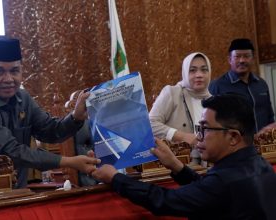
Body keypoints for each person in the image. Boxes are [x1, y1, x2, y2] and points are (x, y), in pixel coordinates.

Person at [92, 94, 276, 220]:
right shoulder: (261, 165)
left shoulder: (225, 181)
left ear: (233, 137)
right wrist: (176, 166)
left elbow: (164, 201)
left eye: (205, 129)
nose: (199, 136)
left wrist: (115, 178)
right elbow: (207, 192)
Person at [0, 38, 99, 188]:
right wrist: (69, 162)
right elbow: (12, 153)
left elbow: (49, 130)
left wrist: (76, 117)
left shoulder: (22, 98)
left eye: (14, 71)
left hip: (16, 194)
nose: (8, 79)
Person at [149, 52, 211, 165]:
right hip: (177, 165)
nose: (199, 75)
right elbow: (150, 124)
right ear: (185, 72)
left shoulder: (213, 101)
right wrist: (182, 136)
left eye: (204, 69)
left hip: (208, 167)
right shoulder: (173, 93)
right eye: (192, 70)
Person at [209, 38, 275, 132]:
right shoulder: (217, 86)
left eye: (246, 56)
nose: (242, 60)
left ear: (253, 59)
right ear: (230, 59)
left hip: (263, 144)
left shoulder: (261, 84)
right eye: (237, 56)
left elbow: (269, 116)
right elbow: (211, 122)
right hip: (234, 145)